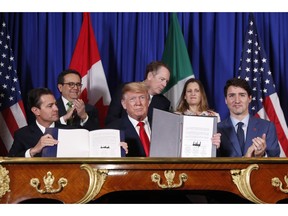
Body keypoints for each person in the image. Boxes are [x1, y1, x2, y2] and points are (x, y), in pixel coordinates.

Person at [8, 88, 128, 157]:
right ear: (36, 110)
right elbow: (9, 161)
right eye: (50, 106)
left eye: (55, 104)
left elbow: (91, 151)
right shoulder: (22, 134)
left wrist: (116, 149)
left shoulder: (71, 131)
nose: (56, 108)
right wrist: (33, 150)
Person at [217, 78, 280, 157]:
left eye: (242, 95)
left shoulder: (267, 127)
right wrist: (215, 149)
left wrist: (262, 155)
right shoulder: (216, 129)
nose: (237, 101)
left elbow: (275, 163)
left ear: (249, 98)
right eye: (231, 96)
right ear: (226, 100)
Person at [105, 61, 171, 127]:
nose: (164, 85)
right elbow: (111, 120)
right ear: (150, 76)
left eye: (166, 81)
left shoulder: (164, 103)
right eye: (162, 79)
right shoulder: (125, 89)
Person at [105, 82, 151, 157]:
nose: (138, 103)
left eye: (142, 97)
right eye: (132, 99)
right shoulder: (113, 130)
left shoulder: (161, 125)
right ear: (124, 104)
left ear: (148, 101)